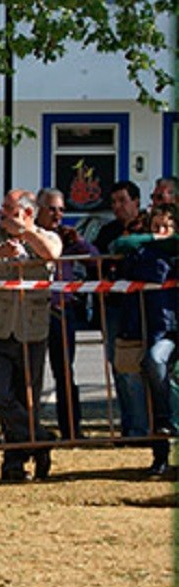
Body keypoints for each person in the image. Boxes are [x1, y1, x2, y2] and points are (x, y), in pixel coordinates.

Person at [0, 188, 63, 482]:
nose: (3, 213)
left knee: (27, 398)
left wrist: (26, 232)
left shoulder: (46, 236)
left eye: (9, 209)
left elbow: (51, 254)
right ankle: (41, 439)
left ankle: (14, 463)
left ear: (27, 212)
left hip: (32, 329)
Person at [108, 204, 177, 476]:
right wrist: (156, 238)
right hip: (159, 329)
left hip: (169, 326)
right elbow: (119, 244)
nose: (160, 232)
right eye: (155, 226)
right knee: (154, 364)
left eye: (166, 227)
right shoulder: (144, 250)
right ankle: (161, 444)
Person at [34, 187, 97, 441]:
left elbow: (95, 259)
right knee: (30, 374)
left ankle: (71, 429)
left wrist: (78, 241)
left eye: (61, 209)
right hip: (34, 311)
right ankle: (27, 430)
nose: (57, 215)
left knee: (65, 372)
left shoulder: (66, 238)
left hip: (61, 311)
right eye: (51, 209)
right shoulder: (30, 235)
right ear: (38, 210)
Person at [97, 180, 150, 437]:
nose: (118, 207)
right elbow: (96, 261)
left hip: (143, 306)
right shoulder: (108, 232)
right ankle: (129, 424)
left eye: (123, 201)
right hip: (114, 306)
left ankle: (143, 426)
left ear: (136, 201)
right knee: (118, 365)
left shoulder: (149, 227)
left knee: (139, 368)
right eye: (114, 202)